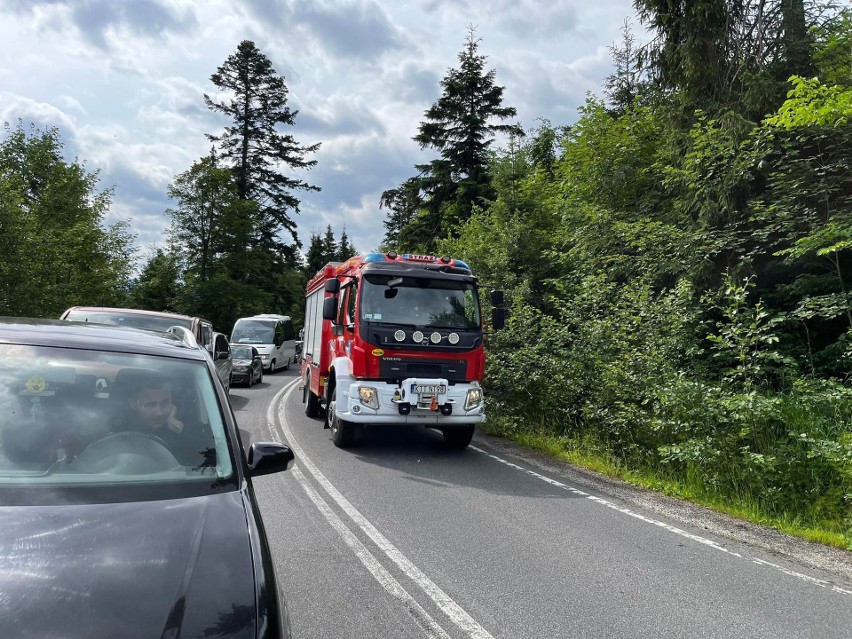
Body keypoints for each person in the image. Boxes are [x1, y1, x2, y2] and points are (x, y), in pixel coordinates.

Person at [119, 376, 214, 467]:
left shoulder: (185, 427)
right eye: (149, 405)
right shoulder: (120, 428)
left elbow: (211, 454)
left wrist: (178, 427)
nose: (159, 413)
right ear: (132, 404)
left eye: (165, 403)